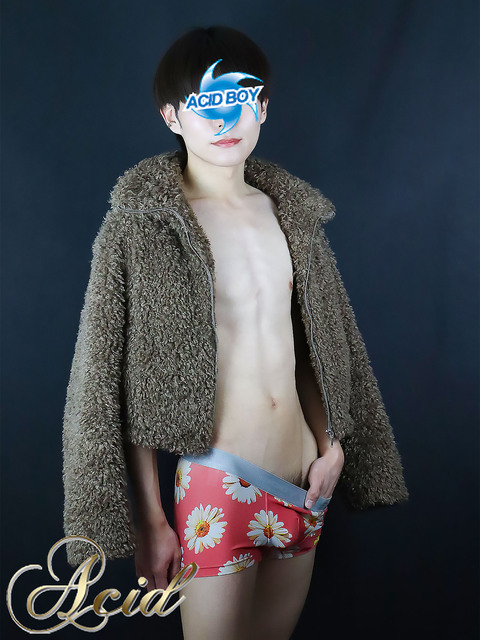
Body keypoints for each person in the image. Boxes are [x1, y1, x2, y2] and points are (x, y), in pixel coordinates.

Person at [61, 25, 409, 640]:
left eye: (239, 99)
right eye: (204, 103)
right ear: (171, 116)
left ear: (263, 108)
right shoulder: (144, 227)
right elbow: (114, 379)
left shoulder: (292, 215)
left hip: (306, 482)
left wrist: (333, 447)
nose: (225, 119)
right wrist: (151, 520)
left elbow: (316, 346)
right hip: (219, 482)